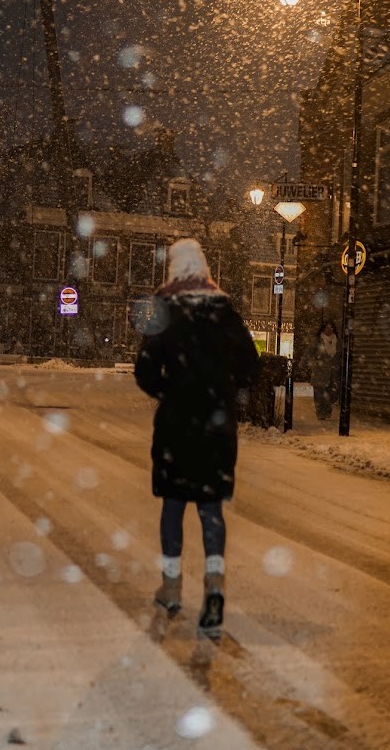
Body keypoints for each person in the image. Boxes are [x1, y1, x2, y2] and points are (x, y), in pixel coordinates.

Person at [134, 238, 259, 638]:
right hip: (216, 426)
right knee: (211, 507)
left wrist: (170, 392)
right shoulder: (224, 312)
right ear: (205, 268)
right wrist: (222, 391)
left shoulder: (165, 311)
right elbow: (251, 367)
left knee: (173, 505)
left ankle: (171, 586)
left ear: (173, 268)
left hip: (177, 425)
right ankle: (215, 584)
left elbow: (144, 371)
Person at [303, 321, 340, 420]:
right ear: (323, 329)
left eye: (331, 328)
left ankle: (327, 411)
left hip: (333, 373)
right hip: (320, 371)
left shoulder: (337, 341)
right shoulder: (318, 341)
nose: (329, 330)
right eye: (327, 327)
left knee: (333, 394)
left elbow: (340, 356)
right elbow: (309, 352)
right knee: (319, 394)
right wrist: (303, 363)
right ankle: (320, 413)